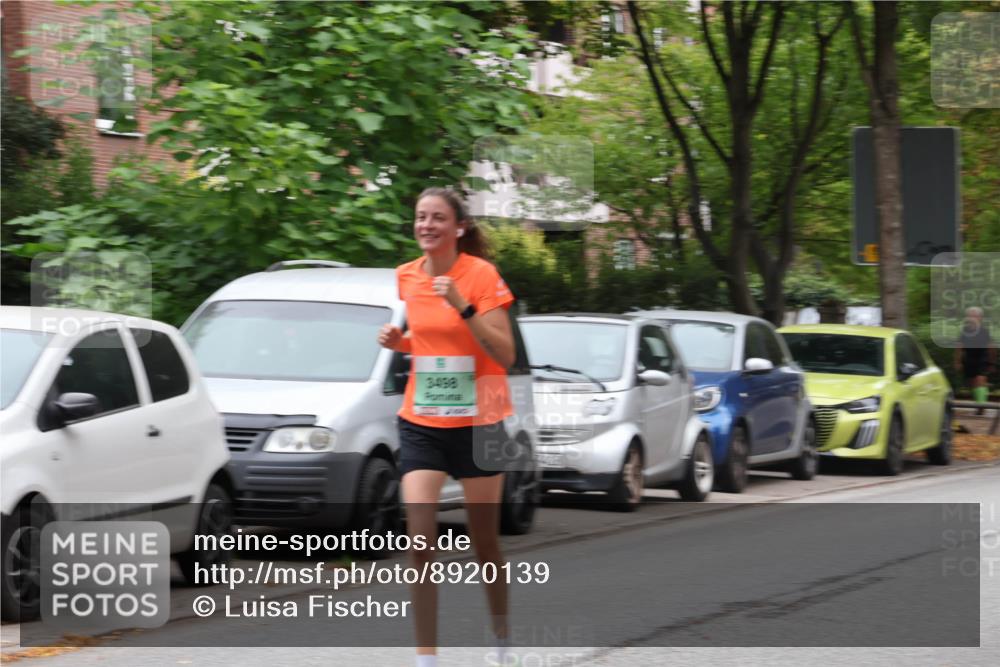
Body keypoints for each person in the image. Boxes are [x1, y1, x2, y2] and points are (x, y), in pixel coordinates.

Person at [377, 187, 516, 667]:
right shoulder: (407, 277)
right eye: (420, 217)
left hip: (484, 417)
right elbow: (436, 343)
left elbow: (504, 353)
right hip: (424, 419)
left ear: (458, 227)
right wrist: (404, 343)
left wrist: (464, 305)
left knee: (484, 543)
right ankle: (426, 659)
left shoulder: (481, 277)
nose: (427, 225)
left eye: (437, 218)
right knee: (419, 542)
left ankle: (500, 644)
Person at [954, 306, 996, 414]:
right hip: (969, 359)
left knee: (979, 380)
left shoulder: (984, 331)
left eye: (974, 316)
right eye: (969, 316)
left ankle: (981, 408)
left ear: (980, 318)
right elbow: (959, 347)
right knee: (973, 383)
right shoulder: (964, 331)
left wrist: (991, 362)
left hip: (982, 358)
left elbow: (991, 347)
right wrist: (957, 361)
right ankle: (981, 399)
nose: (971, 318)